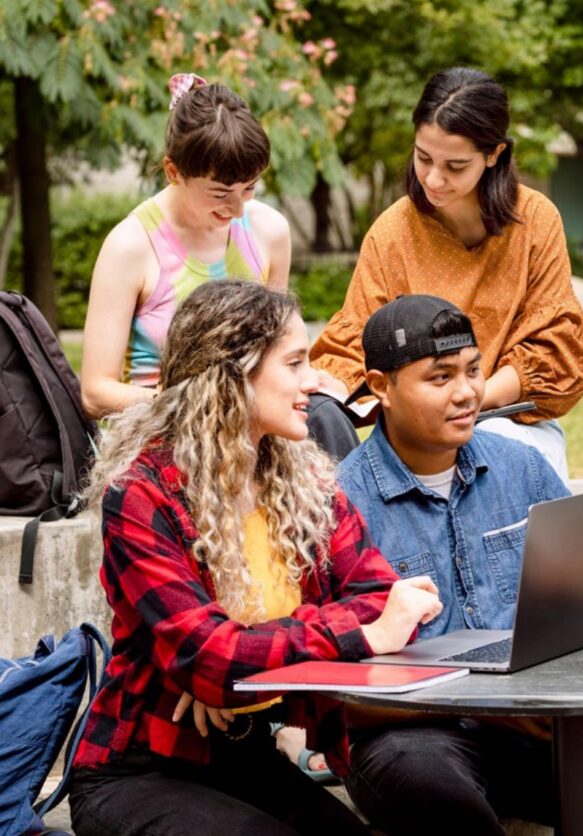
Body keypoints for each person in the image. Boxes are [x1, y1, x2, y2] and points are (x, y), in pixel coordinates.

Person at [67, 281, 442, 836]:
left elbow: (382, 600)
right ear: (232, 374)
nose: (315, 382)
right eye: (294, 363)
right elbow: (209, 655)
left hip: (242, 756)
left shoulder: (304, 479)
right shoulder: (144, 494)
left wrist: (247, 672)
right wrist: (350, 638)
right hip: (137, 770)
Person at [336, 294, 583, 836]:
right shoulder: (340, 501)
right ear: (380, 387)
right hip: (411, 734)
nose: (465, 393)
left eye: (474, 371)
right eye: (439, 378)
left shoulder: (521, 466)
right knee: (444, 805)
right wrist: (479, 707)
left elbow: (577, 604)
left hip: (535, 724)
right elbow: (333, 689)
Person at [310, 67, 583, 480]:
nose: (433, 178)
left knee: (497, 453)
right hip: (415, 436)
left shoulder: (535, 220)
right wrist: (329, 390)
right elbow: (357, 340)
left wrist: (469, 400)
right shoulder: (392, 231)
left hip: (508, 421)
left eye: (455, 166)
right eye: (423, 157)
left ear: (494, 154)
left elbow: (555, 343)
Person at [80, 73, 291, 419]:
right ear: (173, 171)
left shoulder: (270, 232)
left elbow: (278, 351)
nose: (238, 209)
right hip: (158, 438)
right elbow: (96, 392)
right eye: (220, 193)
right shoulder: (131, 247)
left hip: (247, 432)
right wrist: (201, 403)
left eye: (250, 188)